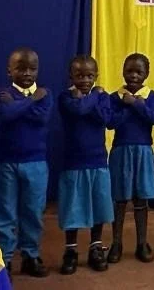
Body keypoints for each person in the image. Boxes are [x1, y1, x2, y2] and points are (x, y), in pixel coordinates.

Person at [0, 48, 53, 277]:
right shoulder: (1, 94)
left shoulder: (46, 94)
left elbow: (42, 117)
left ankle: (30, 255)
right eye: (21, 68)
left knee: (33, 211)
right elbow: (6, 115)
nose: (27, 73)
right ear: (9, 71)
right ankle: (5, 258)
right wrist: (31, 101)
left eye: (32, 69)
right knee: (4, 212)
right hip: (6, 163)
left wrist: (18, 106)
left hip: (36, 163)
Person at [57, 55, 115, 275]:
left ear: (96, 76)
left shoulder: (103, 97)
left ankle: (95, 246)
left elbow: (105, 118)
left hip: (98, 160)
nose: (84, 80)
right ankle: (71, 249)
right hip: (73, 162)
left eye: (90, 76)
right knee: (72, 207)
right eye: (79, 75)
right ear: (71, 76)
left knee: (99, 206)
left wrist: (91, 99)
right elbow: (79, 110)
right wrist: (95, 96)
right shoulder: (65, 97)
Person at [107, 53, 154, 263]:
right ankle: (116, 243)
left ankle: (142, 243)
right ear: (122, 72)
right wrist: (128, 105)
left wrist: (137, 104)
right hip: (121, 151)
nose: (134, 76)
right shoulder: (115, 97)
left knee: (141, 198)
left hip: (143, 151)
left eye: (139, 72)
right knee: (119, 199)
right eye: (129, 71)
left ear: (147, 74)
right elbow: (111, 122)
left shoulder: (152, 96)